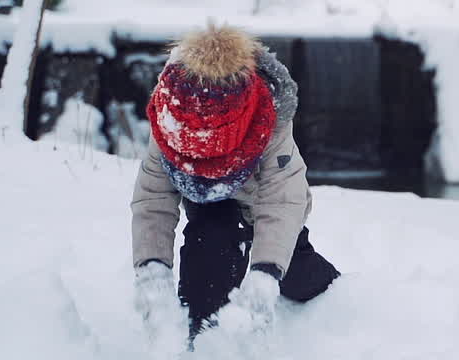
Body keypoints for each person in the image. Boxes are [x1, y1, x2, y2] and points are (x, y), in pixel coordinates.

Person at [130, 24, 340, 348]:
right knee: (207, 255)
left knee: (297, 272)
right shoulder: (170, 113)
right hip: (209, 207)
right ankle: (200, 341)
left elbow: (282, 201)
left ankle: (342, 301)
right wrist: (152, 268)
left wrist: (265, 274)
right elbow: (154, 197)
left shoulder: (269, 116)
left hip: (261, 205)